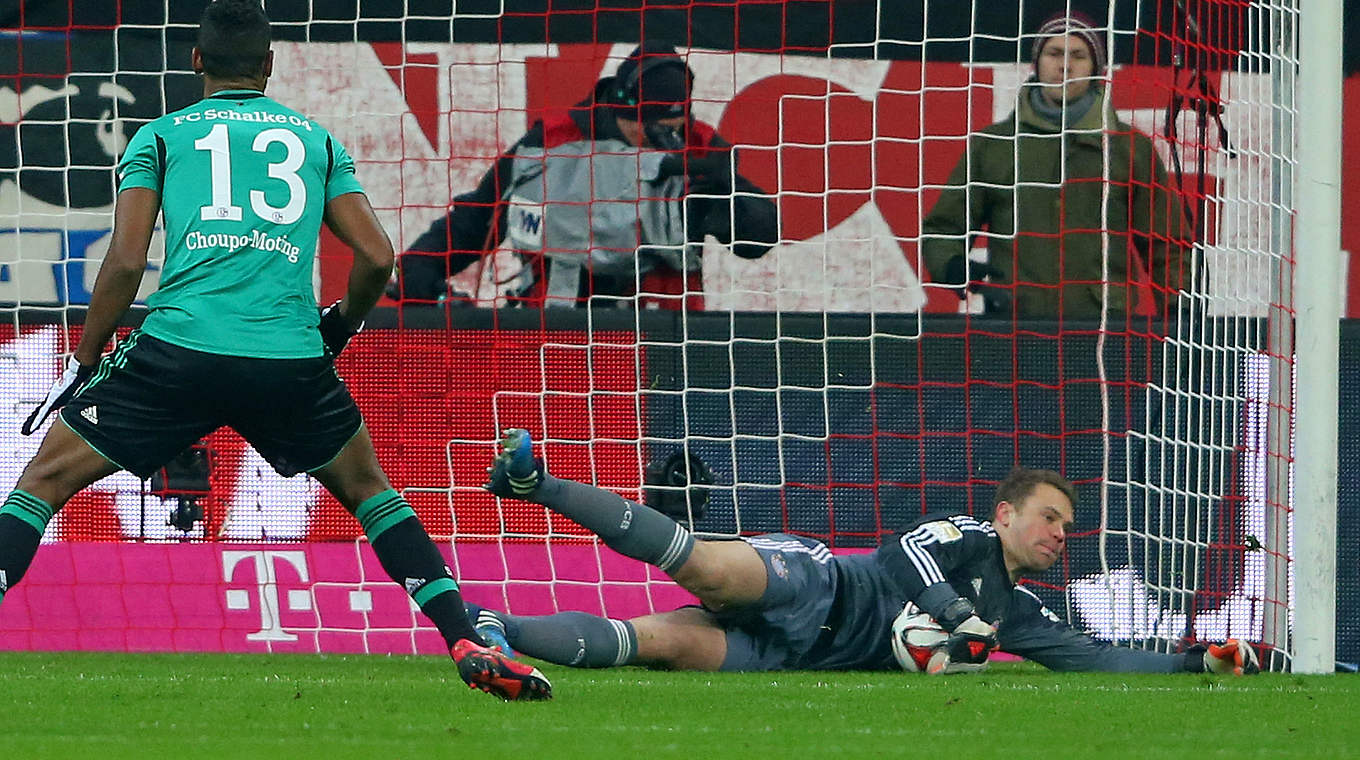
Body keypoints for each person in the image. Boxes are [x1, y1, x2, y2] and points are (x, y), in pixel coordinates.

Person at [0, 0, 549, 702]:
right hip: (288, 359)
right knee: (372, 495)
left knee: (41, 485)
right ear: (269, 65)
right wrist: (339, 328)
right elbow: (377, 257)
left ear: (195, 60)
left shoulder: (161, 138)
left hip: (179, 352)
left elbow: (126, 263)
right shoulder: (315, 141)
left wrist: (83, 359)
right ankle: (463, 635)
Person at [473, 429, 1260, 676]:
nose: (1060, 534)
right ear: (1006, 514)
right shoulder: (962, 539)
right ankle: (535, 482)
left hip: (802, 662)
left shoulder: (1018, 611)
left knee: (660, 643)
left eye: (1067, 527)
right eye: (1049, 518)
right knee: (708, 568)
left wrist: (1198, 664)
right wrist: (953, 615)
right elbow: (896, 561)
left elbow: (1093, 661)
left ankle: (489, 628)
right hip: (816, 585)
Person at [387, 41, 779, 309]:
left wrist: (728, 207)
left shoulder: (699, 147)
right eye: (650, 129)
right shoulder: (553, 141)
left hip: (664, 332)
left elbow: (756, 240)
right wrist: (421, 266)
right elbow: (482, 215)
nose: (660, 141)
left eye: (674, 127)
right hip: (559, 322)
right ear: (619, 110)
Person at [921, 12, 1191, 319]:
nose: (1065, 66)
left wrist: (1178, 304)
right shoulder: (993, 146)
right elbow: (943, 228)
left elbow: (1167, 243)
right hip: (1012, 324)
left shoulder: (1130, 148)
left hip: (1106, 330)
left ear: (1095, 68)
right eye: (1054, 53)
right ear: (1037, 62)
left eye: (1078, 55)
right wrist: (950, 264)